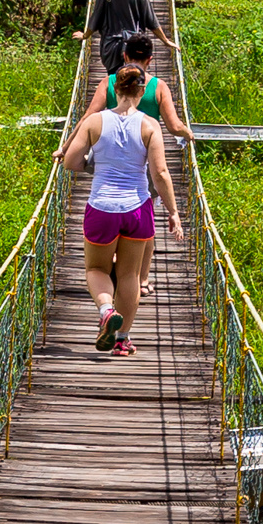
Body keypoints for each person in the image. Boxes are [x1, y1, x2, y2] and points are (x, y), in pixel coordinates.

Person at [65, 62, 179, 358]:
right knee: (129, 275)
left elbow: (71, 161)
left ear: (115, 90)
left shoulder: (94, 122)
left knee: (96, 268)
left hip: (102, 207)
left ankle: (105, 311)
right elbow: (161, 173)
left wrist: (92, 164)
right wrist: (173, 211)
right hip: (138, 209)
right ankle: (122, 339)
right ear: (142, 91)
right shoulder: (150, 125)